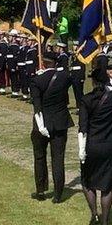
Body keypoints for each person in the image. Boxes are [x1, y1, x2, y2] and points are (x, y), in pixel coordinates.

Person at [78, 63, 112, 225]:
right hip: (111, 146)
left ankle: (94, 214)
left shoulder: (86, 99)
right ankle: (106, 221)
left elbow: (83, 127)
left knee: (87, 181)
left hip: (92, 145)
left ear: (93, 82)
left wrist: (81, 150)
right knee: (108, 185)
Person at [30, 52, 74, 202]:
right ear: (55, 63)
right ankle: (58, 193)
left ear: (43, 64)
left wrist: (41, 126)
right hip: (60, 121)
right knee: (58, 158)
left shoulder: (37, 80)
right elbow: (69, 75)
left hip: (42, 122)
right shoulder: (64, 77)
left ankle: (41, 190)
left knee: (40, 156)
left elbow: (37, 106)